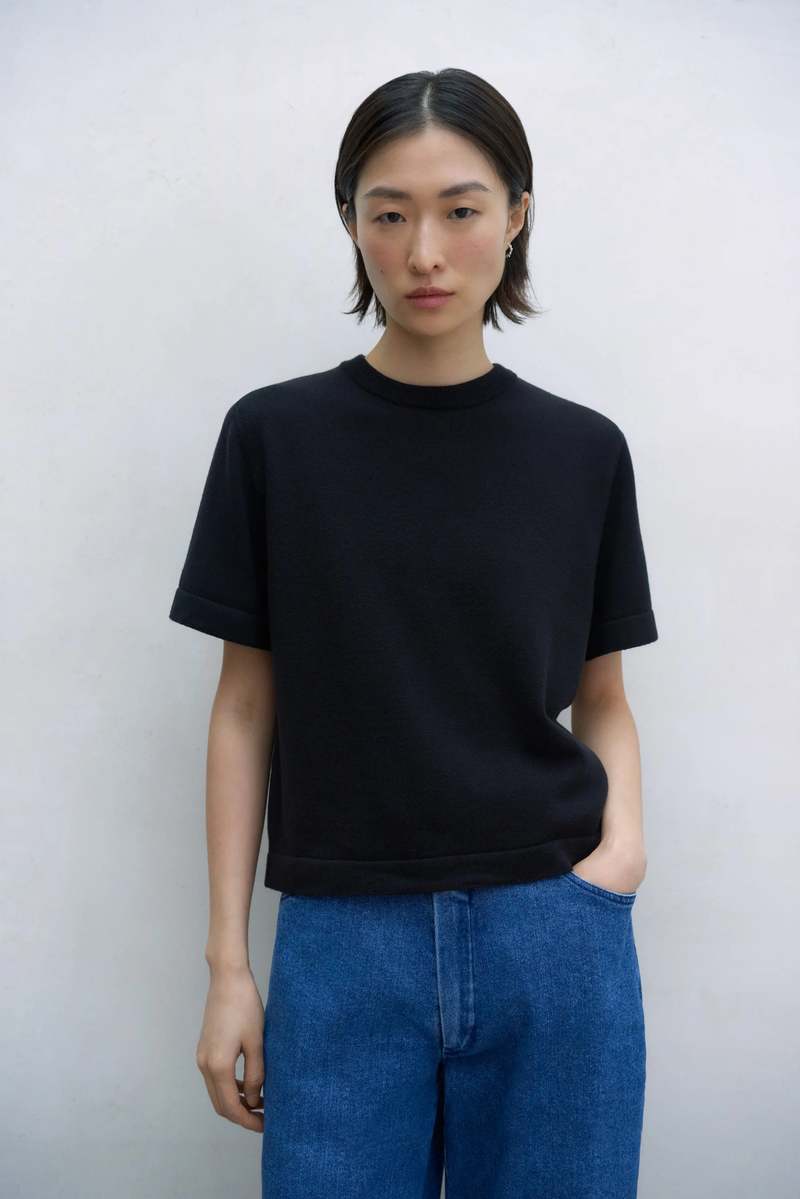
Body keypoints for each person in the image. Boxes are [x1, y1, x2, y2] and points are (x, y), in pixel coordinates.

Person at [169, 67, 658, 1199]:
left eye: (459, 209)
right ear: (350, 221)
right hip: (343, 941)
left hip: (554, 928)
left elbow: (603, 697)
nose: (424, 252)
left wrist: (616, 861)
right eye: (388, 214)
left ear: (516, 215)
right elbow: (244, 706)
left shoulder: (582, 451)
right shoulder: (275, 438)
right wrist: (229, 963)